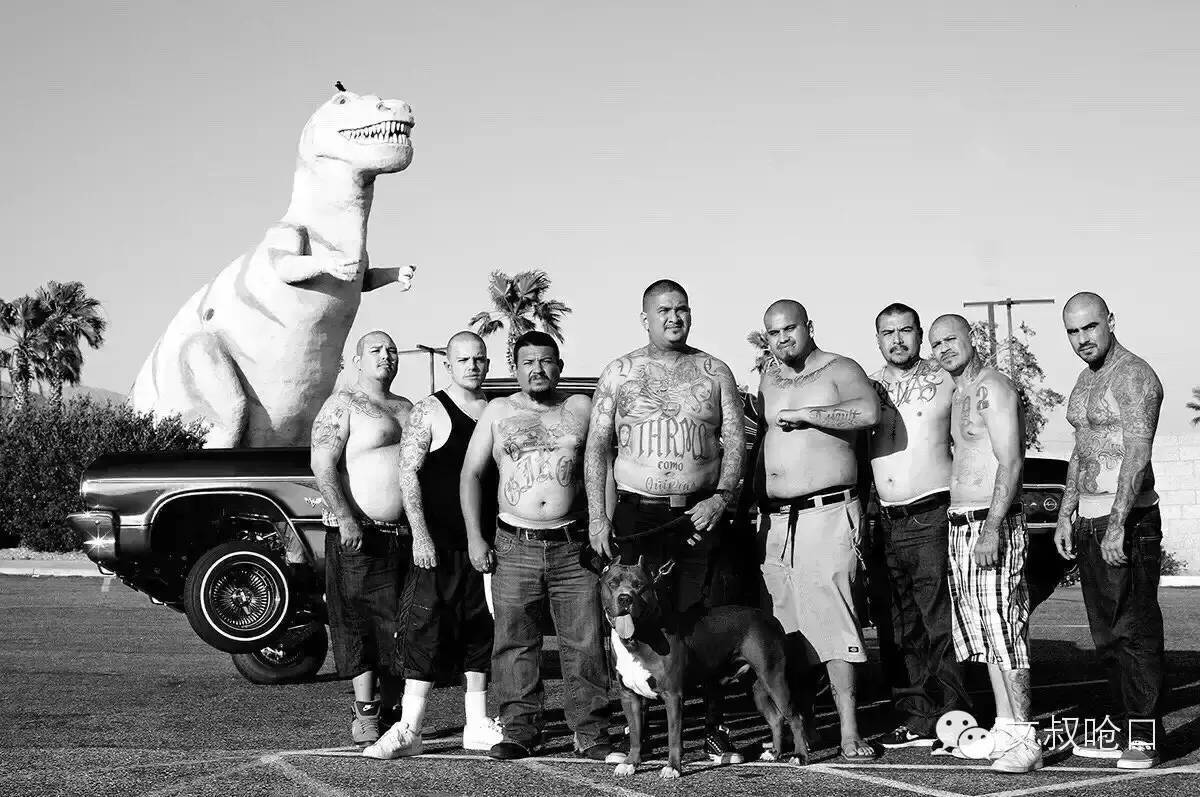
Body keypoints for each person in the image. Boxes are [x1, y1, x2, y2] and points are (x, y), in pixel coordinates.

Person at [584, 279, 747, 763]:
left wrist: (721, 498)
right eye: (664, 310)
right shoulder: (620, 372)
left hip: (699, 513)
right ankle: (640, 734)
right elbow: (597, 446)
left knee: (704, 619)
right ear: (645, 318)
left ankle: (714, 727)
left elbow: (735, 441)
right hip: (638, 514)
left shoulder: (715, 370)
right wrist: (597, 516)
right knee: (634, 619)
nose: (674, 318)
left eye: (682, 309)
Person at [460, 330, 612, 762]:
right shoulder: (498, 411)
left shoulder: (580, 407)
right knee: (514, 642)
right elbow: (471, 474)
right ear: (515, 369)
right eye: (528, 362)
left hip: (573, 544)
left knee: (584, 641)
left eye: (546, 361)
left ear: (559, 367)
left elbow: (603, 468)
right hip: (514, 544)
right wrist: (475, 536)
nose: (537, 369)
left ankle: (591, 732)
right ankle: (521, 730)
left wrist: (602, 523)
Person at [364, 331, 503, 759]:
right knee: (424, 629)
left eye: (479, 359)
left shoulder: (498, 410)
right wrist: (421, 535)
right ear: (448, 364)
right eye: (463, 360)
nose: (473, 366)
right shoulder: (430, 410)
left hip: (484, 544)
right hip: (437, 544)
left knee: (480, 630)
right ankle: (410, 728)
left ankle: (476, 723)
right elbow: (407, 474)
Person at [752, 299, 879, 761]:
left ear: (809, 326)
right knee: (784, 629)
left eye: (790, 328)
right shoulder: (769, 378)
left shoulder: (840, 369)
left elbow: (868, 413)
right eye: (773, 333)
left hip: (828, 512)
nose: (782, 339)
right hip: (776, 521)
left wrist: (808, 414)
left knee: (834, 620)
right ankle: (803, 730)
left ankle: (849, 731)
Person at [1054, 292, 1165, 770]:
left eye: (1090, 327)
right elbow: (1081, 449)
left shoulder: (1134, 375)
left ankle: (1145, 736)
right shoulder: (1085, 380)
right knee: (1106, 636)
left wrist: (1118, 522)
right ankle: (1124, 724)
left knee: (1133, 629)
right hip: (1089, 518)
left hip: (1128, 519)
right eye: (1073, 331)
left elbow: (1137, 452)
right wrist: (1067, 513)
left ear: (1111, 322)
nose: (1082, 338)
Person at [928, 314, 1039, 773]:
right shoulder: (959, 393)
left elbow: (1011, 461)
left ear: (972, 338)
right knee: (984, 632)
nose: (943, 349)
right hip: (961, 523)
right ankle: (1006, 728)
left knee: (1005, 627)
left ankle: (1027, 737)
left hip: (991, 523)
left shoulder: (994, 387)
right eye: (936, 343)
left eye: (951, 339)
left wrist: (992, 527)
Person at [867, 303, 970, 749]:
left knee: (938, 621)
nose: (897, 340)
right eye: (888, 333)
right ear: (878, 339)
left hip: (932, 513)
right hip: (885, 519)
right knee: (899, 626)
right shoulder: (867, 387)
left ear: (919, 333)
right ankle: (916, 717)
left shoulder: (945, 379)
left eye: (905, 330)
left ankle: (955, 718)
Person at [309, 331, 413, 746]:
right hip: (360, 535)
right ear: (357, 361)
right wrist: (346, 518)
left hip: (405, 534)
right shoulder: (343, 404)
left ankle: (392, 709)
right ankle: (365, 715)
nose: (386, 356)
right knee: (360, 626)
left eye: (392, 350)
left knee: (399, 625)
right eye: (376, 350)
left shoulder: (407, 407)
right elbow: (322, 463)